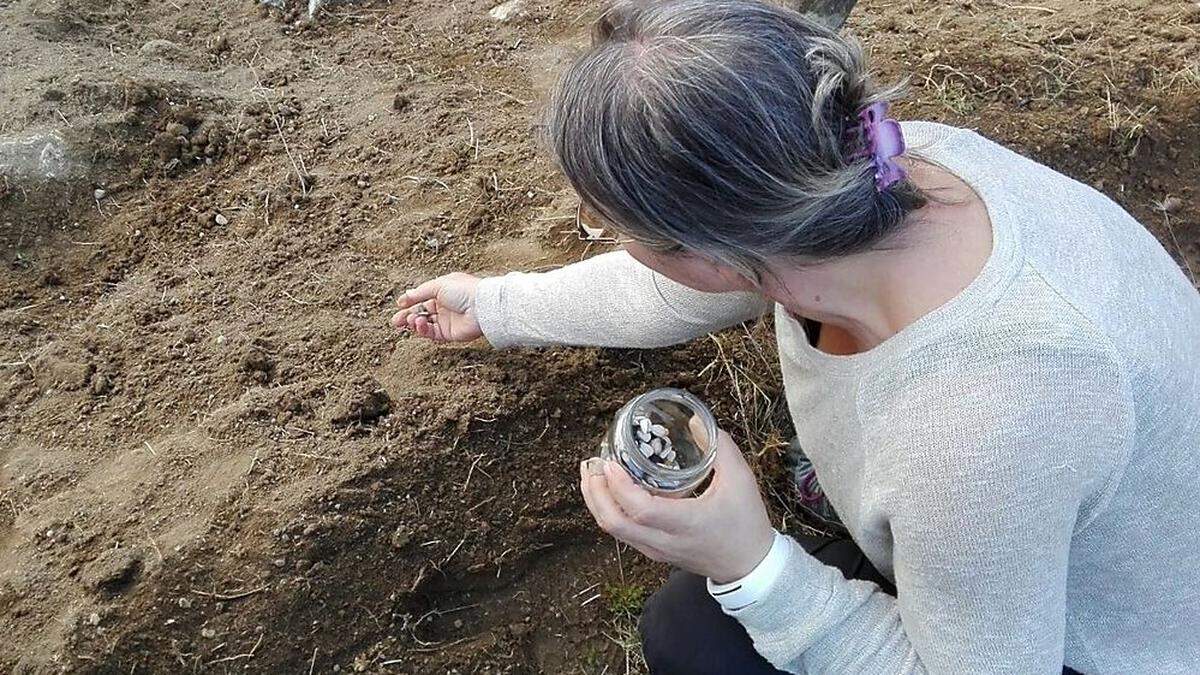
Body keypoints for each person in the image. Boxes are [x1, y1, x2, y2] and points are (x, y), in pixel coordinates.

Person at [391, 1, 1200, 672]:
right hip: (1009, 528)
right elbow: (672, 285)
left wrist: (753, 564)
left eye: (605, 221)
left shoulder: (980, 426)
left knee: (697, 636)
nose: (603, 234)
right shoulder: (872, 167)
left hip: (1106, 644)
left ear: (709, 249)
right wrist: (496, 306)